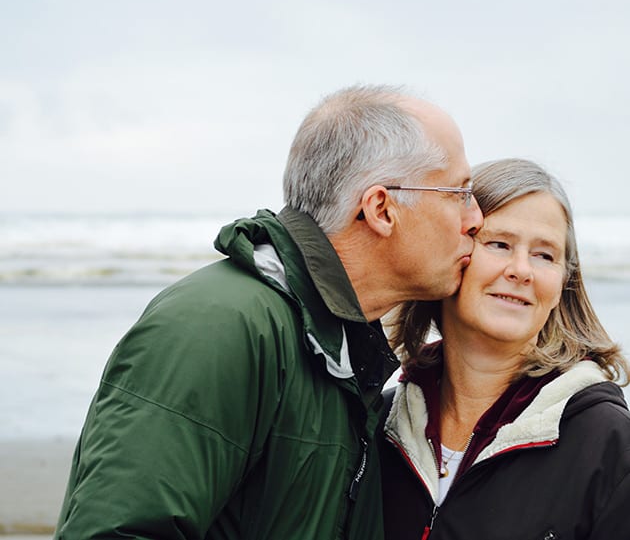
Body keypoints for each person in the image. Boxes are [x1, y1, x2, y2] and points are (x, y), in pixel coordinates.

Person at [54, 84, 483, 539]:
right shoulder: (219, 325)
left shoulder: (339, 346)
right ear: (381, 209)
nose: (475, 218)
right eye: (459, 192)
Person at [379, 158, 630, 540]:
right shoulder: (380, 423)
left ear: (564, 282)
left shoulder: (609, 443)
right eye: (499, 244)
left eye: (544, 255)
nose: (521, 270)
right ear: (453, 253)